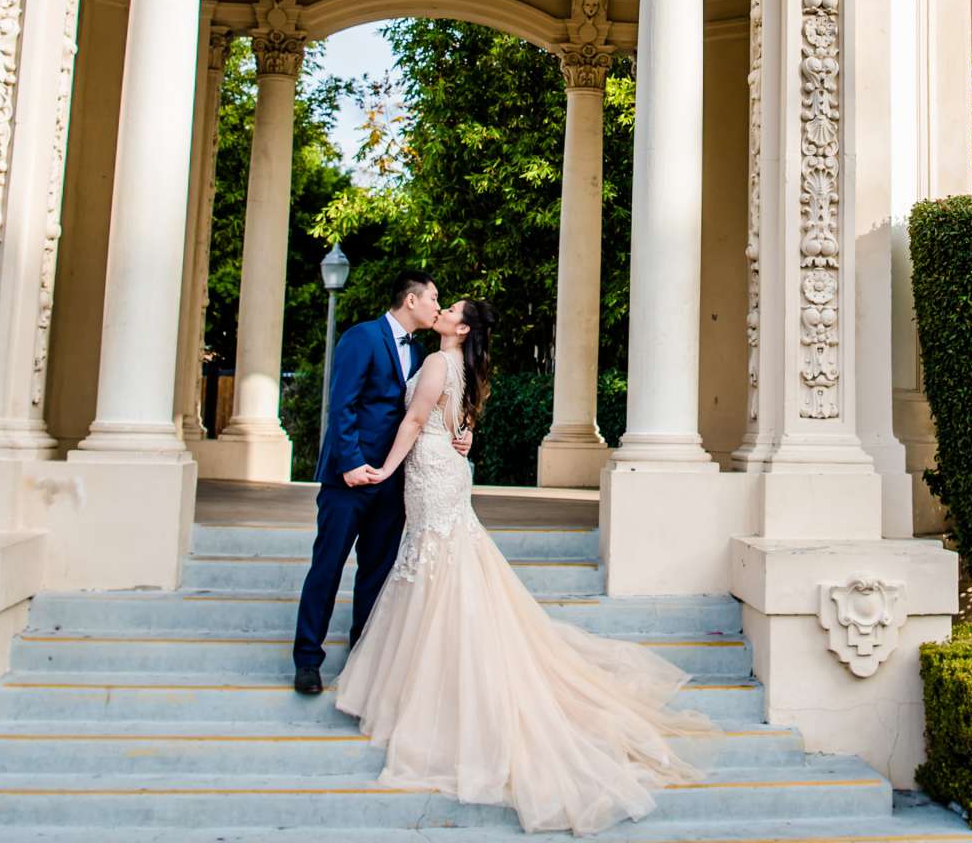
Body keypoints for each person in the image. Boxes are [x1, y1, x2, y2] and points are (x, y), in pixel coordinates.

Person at [337, 297, 712, 834]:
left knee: (433, 564)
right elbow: (456, 423)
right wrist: (461, 439)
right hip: (446, 474)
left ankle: (435, 684)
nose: (442, 312)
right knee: (437, 563)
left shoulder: (442, 362)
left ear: (461, 328)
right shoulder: (461, 367)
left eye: (451, 310)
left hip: (428, 473)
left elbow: (417, 419)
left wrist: (384, 469)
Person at [291, 270, 467, 693]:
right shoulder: (362, 337)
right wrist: (351, 463)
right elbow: (342, 404)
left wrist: (463, 431)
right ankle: (307, 660)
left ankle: (360, 662)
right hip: (349, 479)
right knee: (327, 566)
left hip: (394, 482)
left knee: (376, 573)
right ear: (411, 300)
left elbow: (429, 410)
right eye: (434, 298)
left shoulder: (426, 352)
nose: (437, 306)